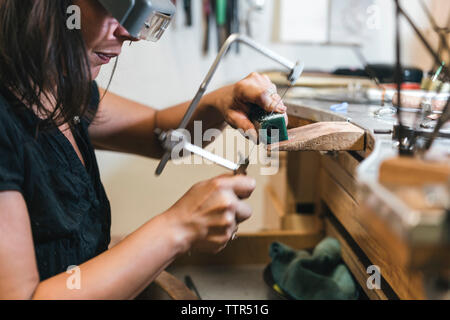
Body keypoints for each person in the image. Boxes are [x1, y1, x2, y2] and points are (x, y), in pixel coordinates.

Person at [0, 0, 287, 299]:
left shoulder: (58, 85)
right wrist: (179, 227)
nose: (131, 34)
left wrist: (221, 101)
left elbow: (158, 133)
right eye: (119, 7)